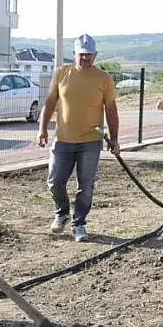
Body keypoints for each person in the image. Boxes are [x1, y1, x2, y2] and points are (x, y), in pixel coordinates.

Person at [37, 33, 120, 243]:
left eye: (89, 55)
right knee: (55, 181)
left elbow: (111, 109)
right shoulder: (61, 73)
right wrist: (43, 129)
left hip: (91, 140)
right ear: (74, 54)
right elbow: (49, 102)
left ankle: (79, 223)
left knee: (86, 185)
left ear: (95, 55)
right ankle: (62, 212)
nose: (85, 59)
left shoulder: (103, 79)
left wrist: (115, 139)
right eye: (82, 55)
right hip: (63, 139)